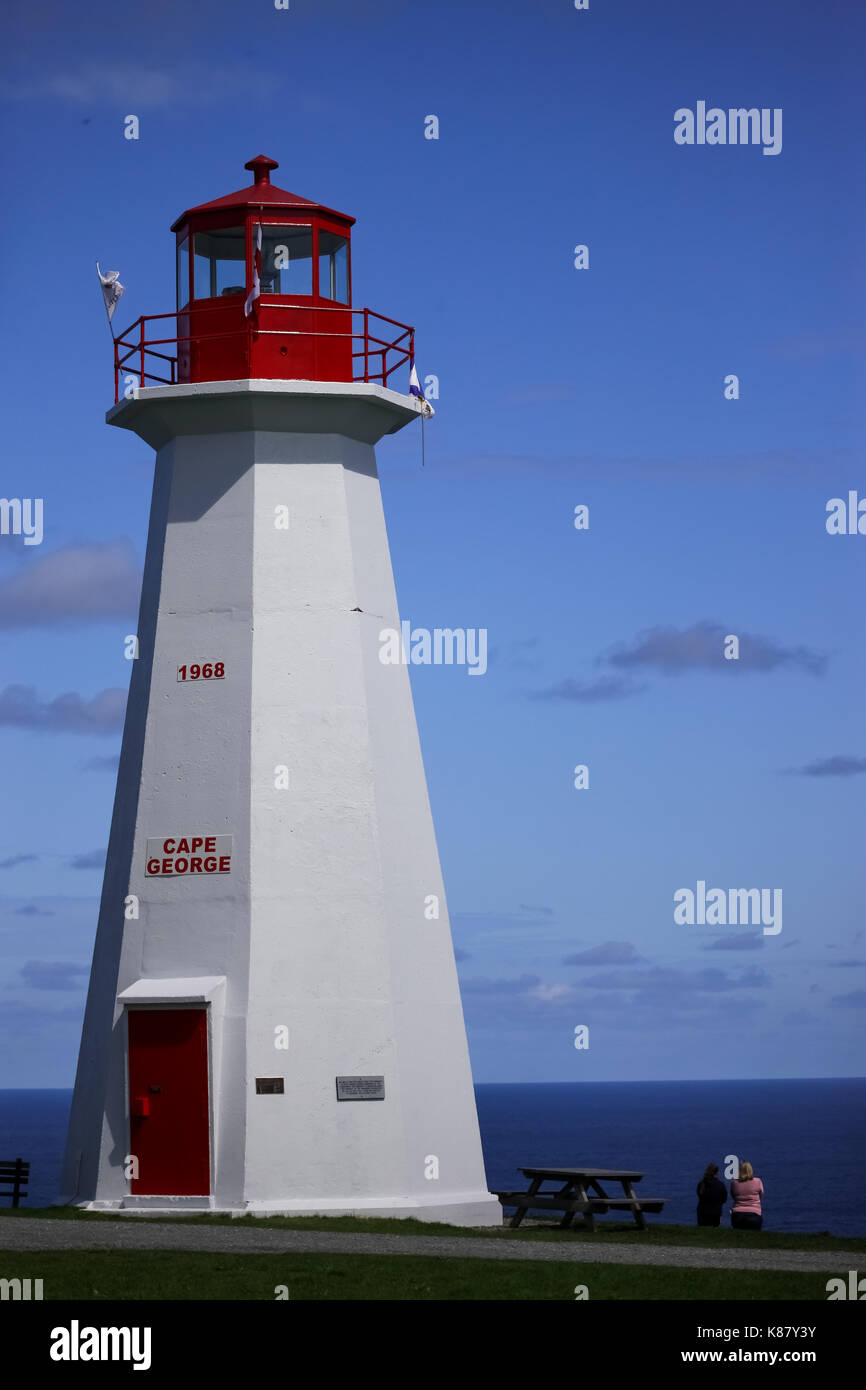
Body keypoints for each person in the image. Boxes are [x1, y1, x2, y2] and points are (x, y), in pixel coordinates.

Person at [730, 1161, 764, 1230]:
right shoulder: (758, 1181)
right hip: (754, 1215)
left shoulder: (734, 1183)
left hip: (737, 1216)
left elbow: (733, 1196)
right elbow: (760, 1195)